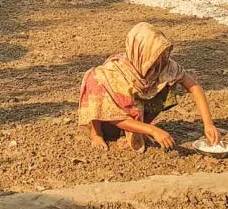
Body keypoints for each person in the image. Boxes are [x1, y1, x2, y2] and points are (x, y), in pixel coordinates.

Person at [78, 22, 220, 152]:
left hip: (135, 112)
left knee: (167, 87)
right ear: (139, 53)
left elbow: (194, 86)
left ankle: (140, 128)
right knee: (95, 81)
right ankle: (96, 133)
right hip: (109, 120)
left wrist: (208, 124)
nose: (158, 61)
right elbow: (114, 117)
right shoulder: (113, 73)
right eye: (152, 56)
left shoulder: (163, 65)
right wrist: (153, 130)